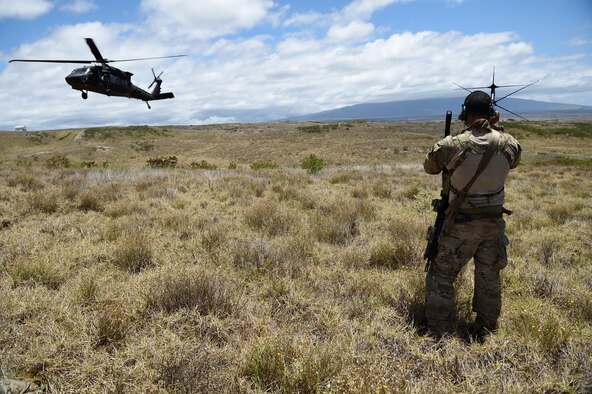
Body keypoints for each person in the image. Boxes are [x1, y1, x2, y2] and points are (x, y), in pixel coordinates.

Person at [423, 90, 521, 338]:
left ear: (465, 113)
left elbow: (430, 167)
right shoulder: (508, 143)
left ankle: (440, 330)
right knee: (489, 278)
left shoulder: (452, 145)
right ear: (490, 113)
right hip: (493, 224)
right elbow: (514, 159)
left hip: (460, 225)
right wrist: (497, 128)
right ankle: (487, 329)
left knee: (442, 276)